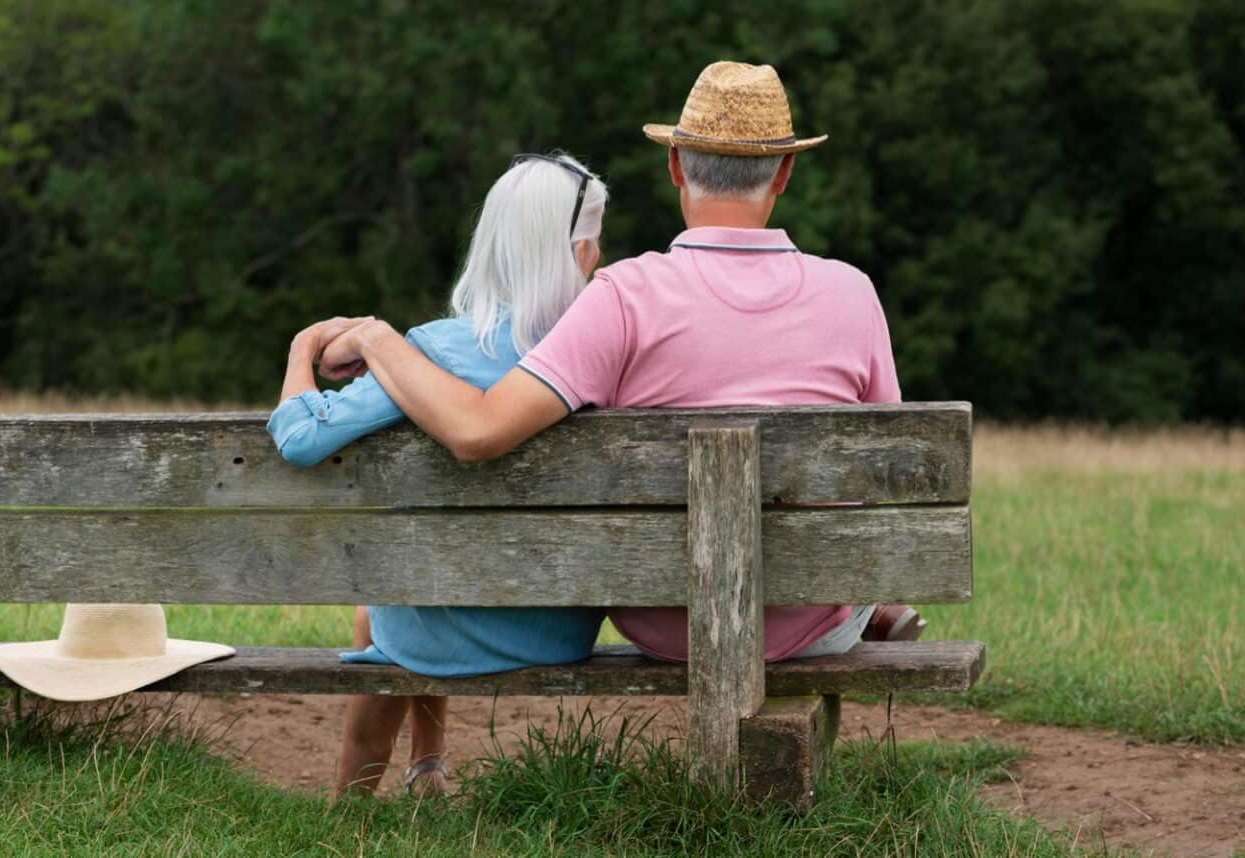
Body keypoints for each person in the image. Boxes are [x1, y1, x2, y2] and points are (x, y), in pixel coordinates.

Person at [318, 61, 923, 678]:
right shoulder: (853, 293)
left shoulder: (623, 296)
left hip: (666, 618)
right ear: (785, 173)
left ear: (676, 166)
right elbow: (889, 469)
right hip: (810, 620)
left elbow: (477, 432)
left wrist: (378, 340)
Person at [271, 152, 611, 798]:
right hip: (559, 627)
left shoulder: (431, 352)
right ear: (583, 249)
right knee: (420, 584)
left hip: (439, 623)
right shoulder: (606, 352)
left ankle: (350, 803)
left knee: (387, 603)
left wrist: (303, 349)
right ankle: (427, 765)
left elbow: (300, 439)